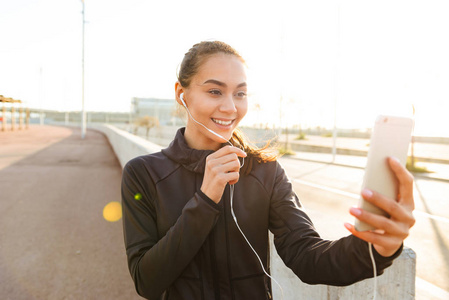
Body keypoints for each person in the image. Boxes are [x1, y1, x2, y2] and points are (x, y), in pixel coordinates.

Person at [121, 41, 415, 300]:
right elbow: (147, 282)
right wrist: (205, 200)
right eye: (214, 91)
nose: (230, 107)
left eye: (240, 94)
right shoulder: (143, 174)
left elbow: (308, 257)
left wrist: (377, 248)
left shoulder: (264, 171)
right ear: (181, 94)